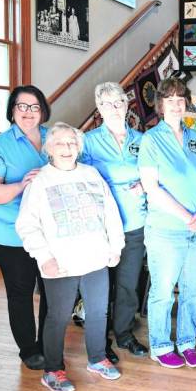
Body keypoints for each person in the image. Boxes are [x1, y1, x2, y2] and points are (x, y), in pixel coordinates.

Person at [16, 122, 125, 391]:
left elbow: (110, 212)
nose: (67, 148)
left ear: (79, 147)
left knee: (98, 312)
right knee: (58, 316)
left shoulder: (91, 174)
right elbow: (27, 225)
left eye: (72, 143)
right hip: (60, 262)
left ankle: (97, 358)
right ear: (49, 149)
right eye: (61, 143)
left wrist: (116, 246)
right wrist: (44, 257)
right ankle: (53, 369)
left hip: (96, 257)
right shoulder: (40, 181)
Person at [138, 77, 196, 369]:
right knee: (164, 291)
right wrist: (186, 217)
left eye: (181, 99)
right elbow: (151, 187)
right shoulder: (150, 139)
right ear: (160, 105)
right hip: (167, 230)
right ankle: (161, 344)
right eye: (170, 100)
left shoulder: (195, 137)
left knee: (193, 290)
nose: (177, 105)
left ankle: (187, 341)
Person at [0, 85, 50, 370]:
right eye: (22, 106)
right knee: (20, 292)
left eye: (34, 106)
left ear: (42, 110)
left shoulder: (55, 137)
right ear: (12, 110)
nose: (28, 112)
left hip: (51, 232)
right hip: (11, 233)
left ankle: (47, 342)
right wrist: (22, 185)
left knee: (52, 291)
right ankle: (29, 349)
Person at [81, 82, 149, 363]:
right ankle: (100, 340)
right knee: (100, 286)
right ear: (99, 108)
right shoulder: (87, 140)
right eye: (107, 103)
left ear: (127, 104)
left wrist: (144, 184)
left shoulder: (141, 139)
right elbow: (82, 177)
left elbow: (155, 173)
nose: (114, 108)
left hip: (135, 222)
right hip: (101, 226)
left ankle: (123, 333)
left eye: (119, 102)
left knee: (128, 283)